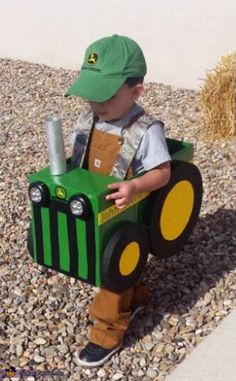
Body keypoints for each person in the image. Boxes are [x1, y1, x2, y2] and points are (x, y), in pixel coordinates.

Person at [65, 34, 171, 367]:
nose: (97, 105)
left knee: (112, 273)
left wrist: (136, 186)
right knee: (112, 262)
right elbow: (79, 158)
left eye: (106, 97)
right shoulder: (91, 118)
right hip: (95, 206)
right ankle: (137, 296)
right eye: (91, 96)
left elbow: (164, 173)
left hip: (125, 210)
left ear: (136, 91)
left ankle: (106, 333)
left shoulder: (145, 130)